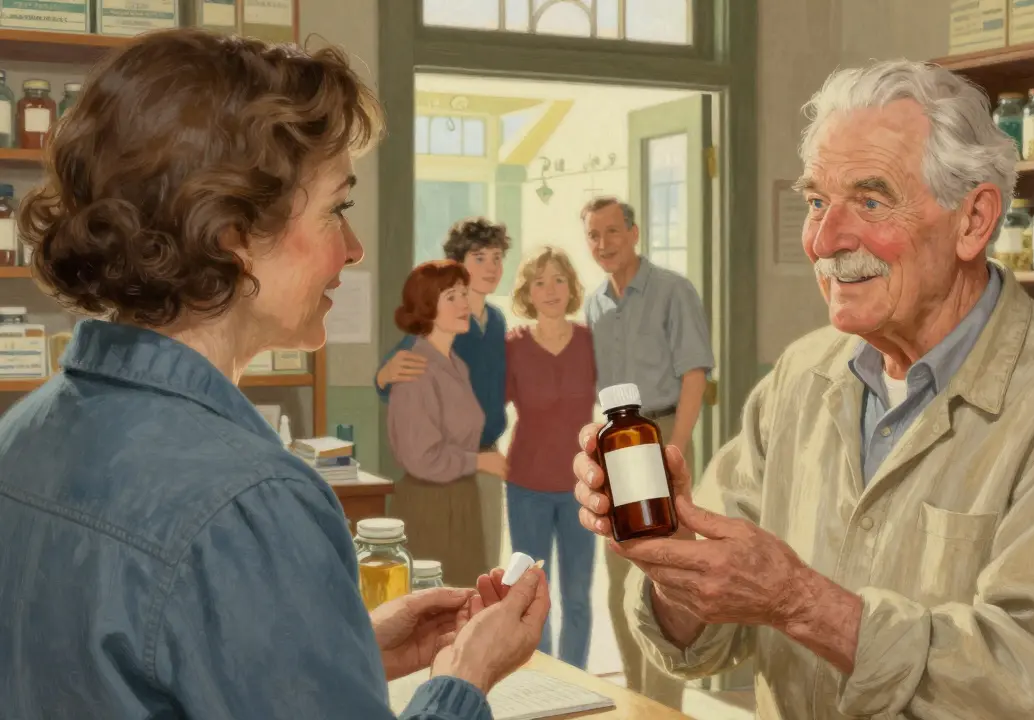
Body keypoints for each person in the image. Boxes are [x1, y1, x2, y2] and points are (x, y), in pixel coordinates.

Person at [572, 60, 1034, 719]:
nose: (825, 241)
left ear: (973, 221)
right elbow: (706, 641)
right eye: (818, 202)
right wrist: (671, 553)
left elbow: (1031, 687)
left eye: (871, 201)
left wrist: (798, 601)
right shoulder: (800, 375)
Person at [0, 29, 547, 720]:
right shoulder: (251, 502)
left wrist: (340, 645)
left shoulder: (23, 435)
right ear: (232, 236)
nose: (352, 250)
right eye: (336, 209)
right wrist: (465, 677)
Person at [578, 195, 714, 711]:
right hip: (615, 445)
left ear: (634, 234)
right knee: (620, 577)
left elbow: (695, 374)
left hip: (661, 433)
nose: (603, 244)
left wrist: (673, 450)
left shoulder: (673, 291)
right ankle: (637, 701)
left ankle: (665, 707)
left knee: (669, 577)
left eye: (613, 232)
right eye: (593, 235)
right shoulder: (594, 303)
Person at [376, 218, 510, 573]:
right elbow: (397, 376)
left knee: (482, 569)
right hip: (444, 475)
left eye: (497, 258)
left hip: (481, 464)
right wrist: (382, 376)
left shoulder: (494, 323)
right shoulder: (428, 345)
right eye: (480, 258)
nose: (491, 267)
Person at [503, 246, 598, 669]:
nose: (550, 289)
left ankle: (577, 681)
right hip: (526, 486)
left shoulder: (591, 342)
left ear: (572, 287)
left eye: (558, 279)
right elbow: (484, 409)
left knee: (577, 596)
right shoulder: (513, 345)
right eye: (539, 282)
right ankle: (540, 681)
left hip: (582, 486)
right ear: (527, 292)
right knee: (531, 595)